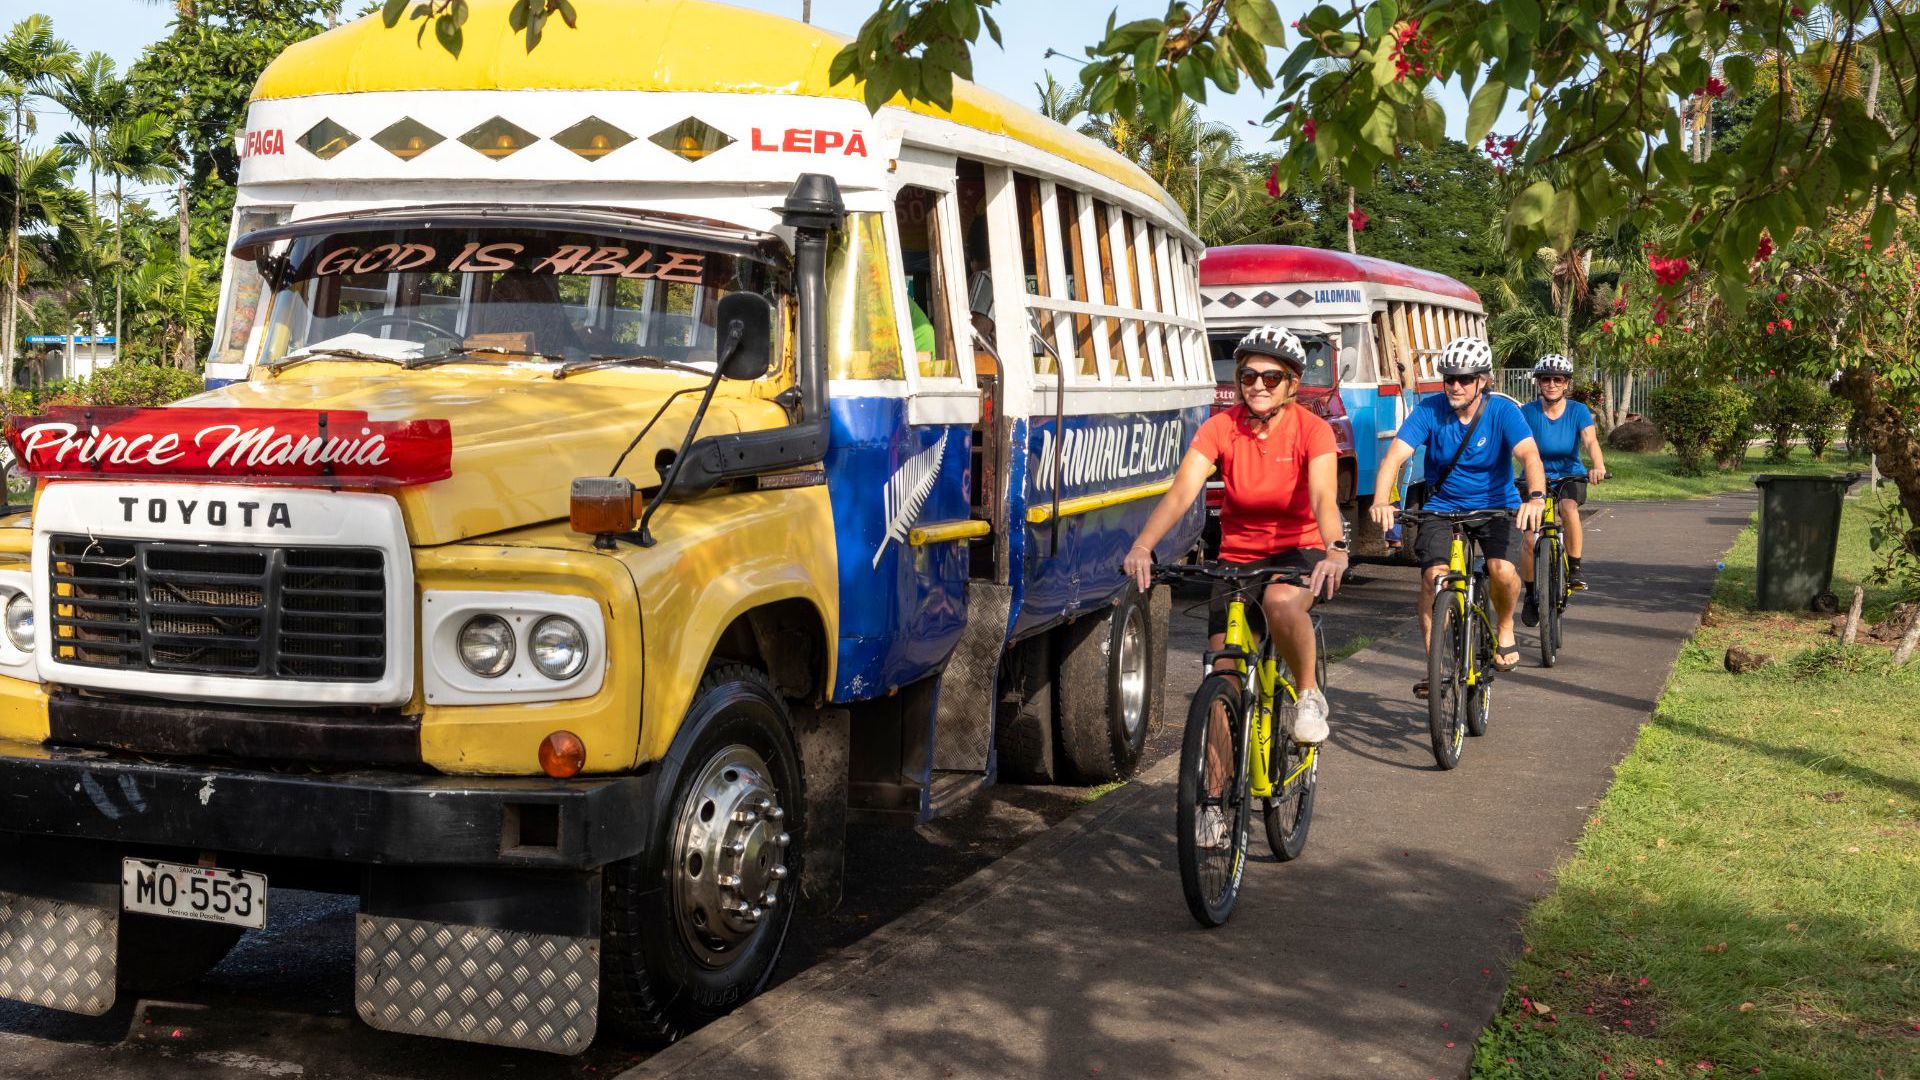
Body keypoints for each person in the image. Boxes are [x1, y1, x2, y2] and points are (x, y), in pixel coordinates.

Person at [1125, 325, 1347, 847]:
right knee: (1222, 674)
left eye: (1271, 377)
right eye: (1248, 375)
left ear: (1292, 383)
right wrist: (1144, 546)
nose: (1258, 385)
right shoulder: (1220, 427)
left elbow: (1323, 497)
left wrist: (1335, 548)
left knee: (1279, 601)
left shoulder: (1312, 431)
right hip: (1238, 557)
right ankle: (1213, 802)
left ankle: (1308, 694)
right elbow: (1182, 491)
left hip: (1298, 550)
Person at [1368, 337, 1546, 697]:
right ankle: (1434, 667)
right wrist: (1381, 500)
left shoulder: (1502, 412)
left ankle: (1505, 626)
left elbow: (1529, 455)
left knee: (1501, 570)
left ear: (1484, 380)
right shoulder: (1430, 411)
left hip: (1497, 507)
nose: (1455, 386)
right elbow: (1394, 457)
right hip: (1443, 507)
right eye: (1449, 378)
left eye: (1465, 378)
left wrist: (1536, 498)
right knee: (1433, 578)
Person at [1518, 354, 1608, 621]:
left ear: (1566, 383)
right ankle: (1530, 594)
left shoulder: (1578, 411)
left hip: (1570, 476)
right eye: (1546, 379)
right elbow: (1513, 443)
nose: (1552, 384)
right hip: (1534, 479)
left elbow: (1590, 441)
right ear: (1538, 383)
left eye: (1558, 379)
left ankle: (1576, 567)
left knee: (1568, 508)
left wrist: (1598, 465)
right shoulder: (1527, 412)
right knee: (1529, 538)